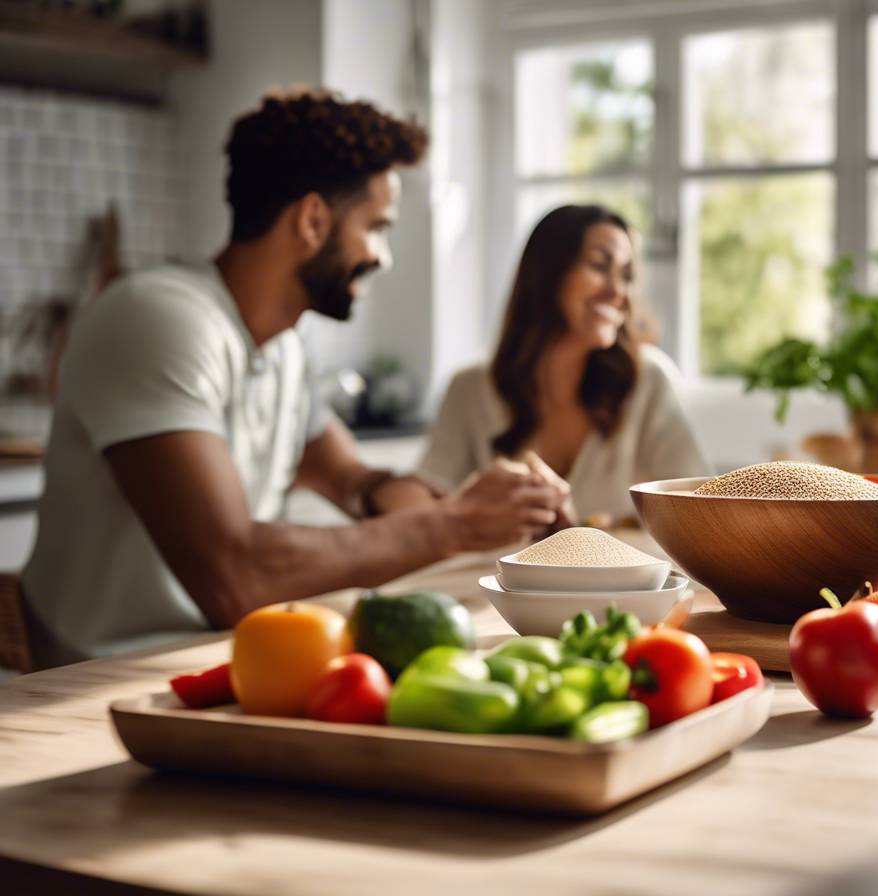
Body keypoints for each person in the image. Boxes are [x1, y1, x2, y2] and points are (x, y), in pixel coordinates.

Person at [21, 89, 567, 667]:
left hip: (228, 663)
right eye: (376, 227)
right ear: (311, 220)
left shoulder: (282, 348)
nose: (382, 256)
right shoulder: (158, 319)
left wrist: (494, 505)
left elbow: (356, 480)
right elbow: (236, 573)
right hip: (98, 680)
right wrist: (455, 524)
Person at [411, 204, 710, 525]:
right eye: (599, 266)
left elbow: (702, 509)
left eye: (626, 276)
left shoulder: (647, 379)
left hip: (625, 575)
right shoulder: (470, 388)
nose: (618, 292)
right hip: (499, 576)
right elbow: (427, 501)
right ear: (547, 273)